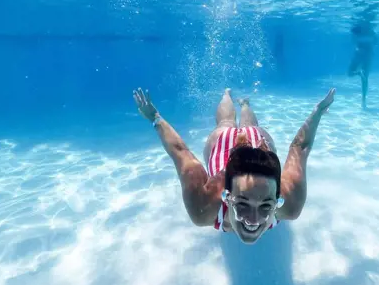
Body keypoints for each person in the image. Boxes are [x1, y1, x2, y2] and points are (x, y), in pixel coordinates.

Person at [132, 86, 335, 244]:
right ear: (226, 197)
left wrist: (317, 113)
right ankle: (227, 94)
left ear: (277, 199)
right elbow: (180, 152)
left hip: (249, 147)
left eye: (266, 205)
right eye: (242, 204)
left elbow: (301, 147)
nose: (253, 220)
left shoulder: (202, 210)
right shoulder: (205, 204)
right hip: (224, 143)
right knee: (227, 124)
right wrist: (154, 117)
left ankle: (244, 103)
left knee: (247, 127)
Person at [348, 22, 377, 111]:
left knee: (359, 77)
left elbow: (354, 40)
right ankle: (363, 101)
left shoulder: (360, 29)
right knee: (362, 78)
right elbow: (376, 42)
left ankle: (363, 101)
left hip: (362, 55)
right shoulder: (370, 31)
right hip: (365, 55)